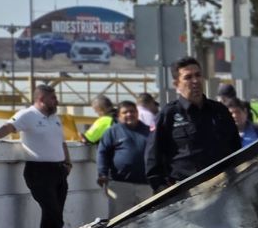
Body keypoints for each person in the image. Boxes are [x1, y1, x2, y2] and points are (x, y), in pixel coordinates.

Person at [0, 84, 71, 228]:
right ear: (41, 99)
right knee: (51, 210)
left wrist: (68, 162)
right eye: (53, 98)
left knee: (56, 211)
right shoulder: (28, 115)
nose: (57, 101)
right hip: (39, 171)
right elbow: (9, 126)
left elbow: (61, 142)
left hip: (59, 170)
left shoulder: (55, 118)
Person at [146, 56, 241, 191]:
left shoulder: (219, 111)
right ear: (176, 84)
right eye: (188, 77)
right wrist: (162, 189)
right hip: (188, 194)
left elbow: (235, 148)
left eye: (198, 75)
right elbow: (153, 157)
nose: (195, 81)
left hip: (224, 188)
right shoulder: (169, 115)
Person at [95, 100, 154, 218]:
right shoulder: (112, 132)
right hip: (120, 184)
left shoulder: (149, 131)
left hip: (146, 185)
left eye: (132, 111)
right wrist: (102, 173)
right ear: (118, 115)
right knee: (119, 222)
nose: (129, 114)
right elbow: (102, 153)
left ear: (137, 113)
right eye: (125, 112)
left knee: (148, 220)